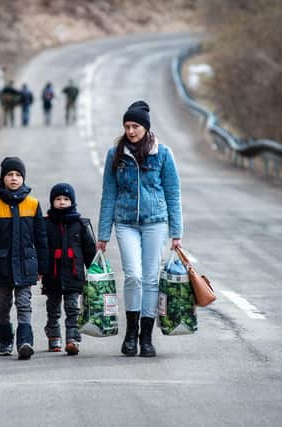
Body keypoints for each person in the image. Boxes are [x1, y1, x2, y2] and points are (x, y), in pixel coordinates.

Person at [97, 100, 183, 358]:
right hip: (125, 222)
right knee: (133, 276)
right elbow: (108, 195)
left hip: (156, 221)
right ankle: (130, 333)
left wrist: (176, 233)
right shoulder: (115, 155)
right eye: (127, 126)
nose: (131, 131)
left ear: (145, 127)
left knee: (150, 278)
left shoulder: (163, 154)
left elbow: (173, 193)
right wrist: (103, 234)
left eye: (135, 126)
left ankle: (146, 337)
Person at [0, 157, 48, 360]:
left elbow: (41, 239)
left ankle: (25, 342)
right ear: (2, 178)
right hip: (1, 265)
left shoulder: (33, 205)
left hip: (25, 265)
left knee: (24, 303)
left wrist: (43, 267)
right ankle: (5, 341)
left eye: (18, 175)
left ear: (23, 178)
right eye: (9, 175)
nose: (14, 178)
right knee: (3, 304)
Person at [41, 183, 96, 355]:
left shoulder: (80, 224)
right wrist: (39, 270)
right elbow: (40, 249)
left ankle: (73, 339)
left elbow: (89, 251)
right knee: (53, 309)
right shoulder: (46, 224)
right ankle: (53, 337)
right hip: (52, 275)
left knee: (73, 309)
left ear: (72, 201)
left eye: (66, 199)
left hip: (74, 274)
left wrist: (94, 270)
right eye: (58, 199)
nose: (62, 202)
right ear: (52, 202)